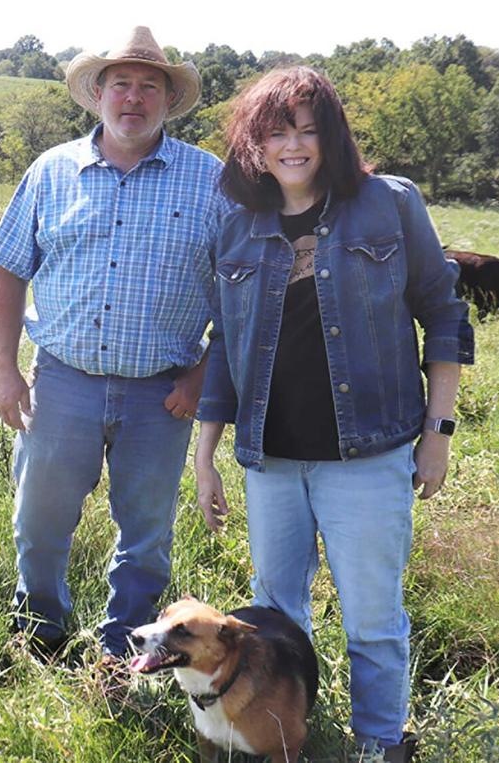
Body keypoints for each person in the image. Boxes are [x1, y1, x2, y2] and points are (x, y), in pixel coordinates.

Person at [194, 67, 474, 762]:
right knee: (275, 616)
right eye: (276, 130)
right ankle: (290, 736)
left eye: (308, 129)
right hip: (272, 460)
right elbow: (224, 343)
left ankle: (380, 745)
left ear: (332, 137)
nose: (293, 145)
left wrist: (437, 433)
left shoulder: (388, 205)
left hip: (369, 455)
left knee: (374, 618)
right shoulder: (235, 226)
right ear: (253, 142)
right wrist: (205, 454)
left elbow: (443, 312)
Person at [0, 26, 232, 663]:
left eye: (150, 85)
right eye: (120, 82)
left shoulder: (211, 182)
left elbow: (242, 292)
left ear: (168, 101)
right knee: (39, 524)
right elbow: (9, 270)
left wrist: (203, 376)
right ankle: (40, 630)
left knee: (146, 534)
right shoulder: (51, 171)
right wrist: (4, 370)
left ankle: (127, 652)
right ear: (97, 93)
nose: (134, 97)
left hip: (163, 393)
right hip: (61, 381)